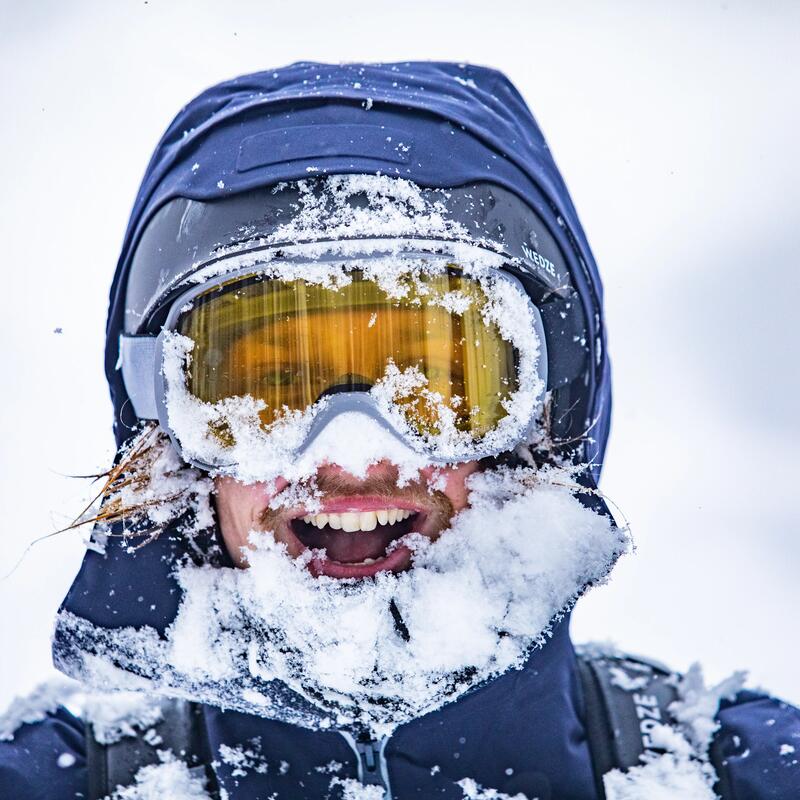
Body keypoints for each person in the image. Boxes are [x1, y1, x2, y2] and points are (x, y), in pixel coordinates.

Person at [1, 62, 797, 800]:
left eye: (433, 390)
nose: (353, 455)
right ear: (166, 432)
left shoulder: (742, 773)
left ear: (548, 414)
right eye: (270, 392)